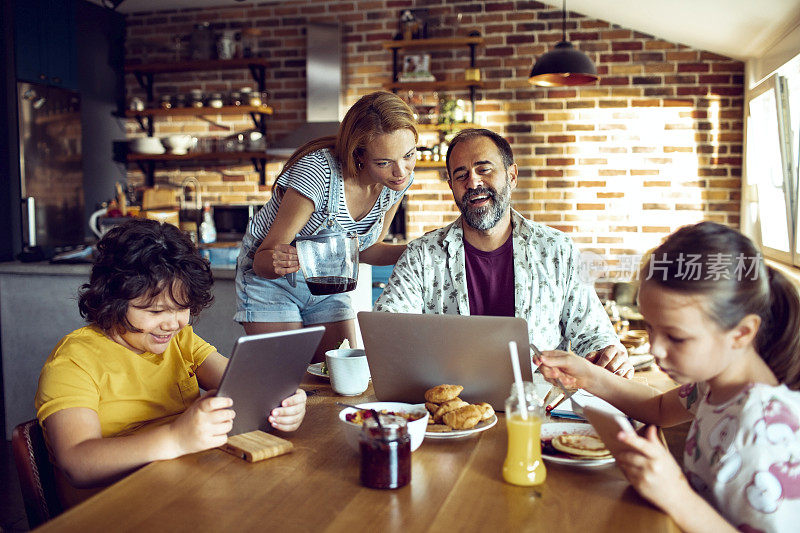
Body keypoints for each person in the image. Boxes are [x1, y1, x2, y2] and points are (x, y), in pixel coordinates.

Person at [536, 222, 800, 532]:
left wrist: (677, 496)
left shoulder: (768, 433)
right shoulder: (714, 384)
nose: (655, 349)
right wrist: (587, 375)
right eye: (650, 327)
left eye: (676, 337)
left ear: (741, 333)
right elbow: (659, 409)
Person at [35, 219, 307, 500]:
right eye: (154, 312)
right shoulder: (74, 361)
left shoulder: (180, 339)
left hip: (188, 488)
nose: (172, 324)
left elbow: (248, 386)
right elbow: (78, 463)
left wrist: (281, 403)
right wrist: (176, 438)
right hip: (117, 508)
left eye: (182, 308)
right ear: (112, 300)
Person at [374, 128, 632, 376]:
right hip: (449, 406)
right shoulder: (422, 255)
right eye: (461, 175)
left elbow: (594, 335)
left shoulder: (558, 250)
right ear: (451, 185)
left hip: (538, 407)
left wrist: (609, 356)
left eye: (484, 169)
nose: (473, 182)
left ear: (511, 176)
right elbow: (387, 330)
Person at [236, 91, 418, 361]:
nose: (401, 171)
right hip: (272, 286)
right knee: (287, 385)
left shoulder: (395, 184)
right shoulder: (318, 173)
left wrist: (419, 248)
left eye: (409, 155)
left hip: (328, 286)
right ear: (359, 155)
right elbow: (263, 261)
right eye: (384, 162)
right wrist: (282, 260)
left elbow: (365, 251)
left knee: (337, 379)